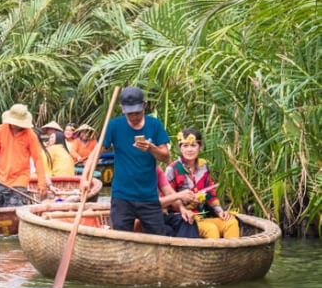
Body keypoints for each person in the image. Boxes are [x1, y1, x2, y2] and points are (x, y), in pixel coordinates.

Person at [88, 86, 170, 235]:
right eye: (129, 113)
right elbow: (95, 153)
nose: (133, 117)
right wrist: (84, 177)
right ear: (122, 108)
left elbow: (165, 156)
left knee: (159, 239)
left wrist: (151, 148)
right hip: (122, 197)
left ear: (144, 105)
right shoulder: (114, 125)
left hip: (149, 197)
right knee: (121, 240)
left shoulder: (154, 125)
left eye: (137, 112)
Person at [164, 128, 239, 238]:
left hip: (203, 216)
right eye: (185, 146)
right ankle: (212, 256)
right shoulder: (172, 169)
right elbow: (167, 198)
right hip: (185, 220)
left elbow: (210, 194)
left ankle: (232, 255)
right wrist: (186, 201)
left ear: (200, 147)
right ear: (180, 148)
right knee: (211, 229)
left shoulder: (204, 167)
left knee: (231, 223)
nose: (189, 149)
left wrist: (220, 212)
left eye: (193, 145)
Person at [0, 104, 48, 207]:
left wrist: (42, 183)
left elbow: (38, 159)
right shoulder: (0, 130)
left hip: (20, 180)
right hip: (0, 177)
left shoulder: (30, 136)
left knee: (14, 208)